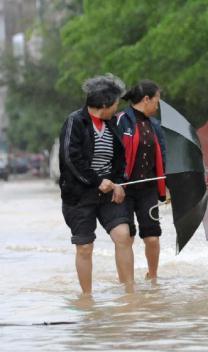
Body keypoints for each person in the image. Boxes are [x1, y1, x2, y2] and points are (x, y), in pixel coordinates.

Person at [59, 74, 134, 295]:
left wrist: (119, 183)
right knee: (84, 247)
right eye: (116, 103)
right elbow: (71, 159)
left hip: (109, 193)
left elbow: (120, 159)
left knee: (123, 234)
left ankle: (129, 293)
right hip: (79, 195)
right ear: (104, 104)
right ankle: (87, 298)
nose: (117, 107)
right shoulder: (75, 121)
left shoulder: (112, 124)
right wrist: (97, 181)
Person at [117, 80, 166, 280]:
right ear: (146, 99)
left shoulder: (155, 125)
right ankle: (126, 283)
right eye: (156, 101)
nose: (157, 105)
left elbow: (162, 156)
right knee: (126, 237)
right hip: (124, 190)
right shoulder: (120, 120)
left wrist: (168, 185)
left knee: (152, 238)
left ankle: (152, 277)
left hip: (148, 190)